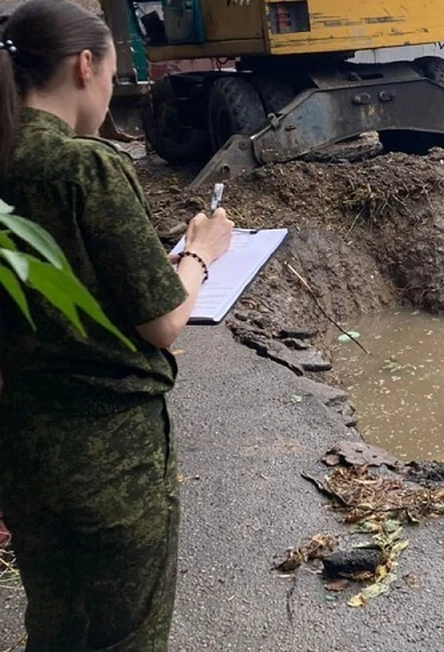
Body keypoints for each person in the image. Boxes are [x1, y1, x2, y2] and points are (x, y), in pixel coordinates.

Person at [0, 1, 234, 650]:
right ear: (84, 66)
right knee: (124, 637)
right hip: (111, 462)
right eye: (110, 72)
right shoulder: (87, 167)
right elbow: (164, 322)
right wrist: (199, 254)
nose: (109, 90)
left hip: (24, 453)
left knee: (56, 624)